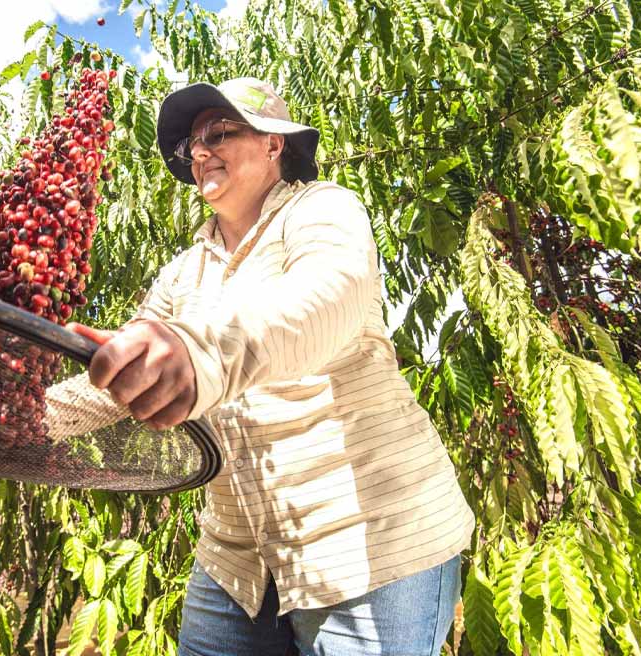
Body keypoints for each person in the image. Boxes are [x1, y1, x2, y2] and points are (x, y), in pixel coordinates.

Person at [65, 78, 475, 656]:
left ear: (274, 144)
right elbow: (125, 371)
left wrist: (197, 353)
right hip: (236, 558)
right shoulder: (184, 272)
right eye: (192, 145)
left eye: (219, 133)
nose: (201, 150)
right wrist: (27, 418)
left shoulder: (323, 210)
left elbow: (325, 297)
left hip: (369, 548)